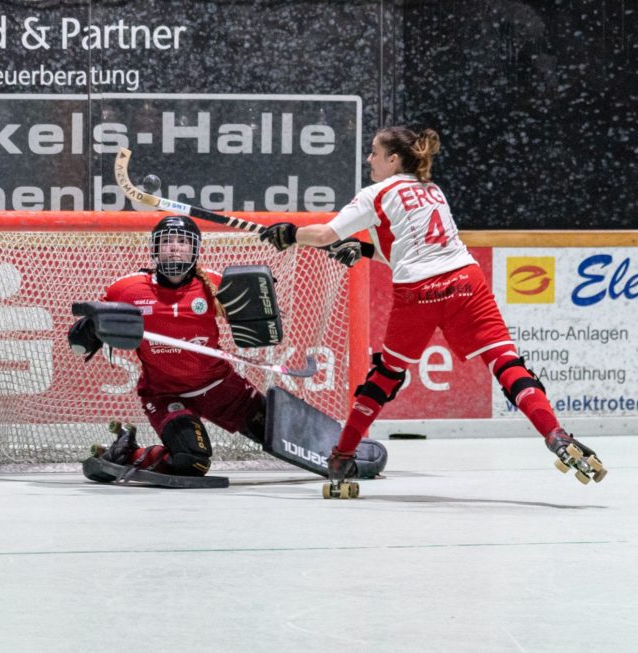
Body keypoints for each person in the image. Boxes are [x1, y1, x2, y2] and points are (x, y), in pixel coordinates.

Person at [259, 126, 607, 486]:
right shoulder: (433, 191)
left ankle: (342, 457)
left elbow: (326, 235)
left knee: (387, 375)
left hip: (419, 293)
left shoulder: (375, 194)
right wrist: (364, 251)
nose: (369, 159)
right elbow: (418, 250)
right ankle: (556, 434)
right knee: (506, 363)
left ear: (393, 159)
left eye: (374, 153)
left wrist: (290, 234)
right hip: (466, 282)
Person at [67, 215, 269, 477]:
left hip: (220, 386)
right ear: (154, 248)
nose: (174, 247)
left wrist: (262, 311)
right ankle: (127, 453)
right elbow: (78, 346)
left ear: (195, 248)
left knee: (284, 431)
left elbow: (258, 326)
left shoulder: (214, 284)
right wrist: (91, 329)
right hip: (166, 394)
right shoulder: (127, 289)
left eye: (183, 242)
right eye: (167, 242)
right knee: (191, 461)